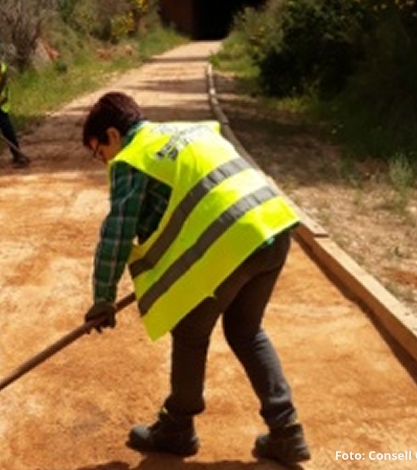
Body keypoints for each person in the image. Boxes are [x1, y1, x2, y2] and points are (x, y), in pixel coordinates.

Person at [80, 91, 311, 466]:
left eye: (98, 151)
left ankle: (177, 427)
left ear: (112, 135)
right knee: (246, 331)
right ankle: (287, 431)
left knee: (189, 332)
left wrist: (102, 297)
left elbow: (118, 231)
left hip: (232, 244)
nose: (102, 160)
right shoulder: (187, 131)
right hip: (273, 226)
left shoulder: (132, 157)